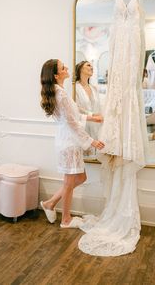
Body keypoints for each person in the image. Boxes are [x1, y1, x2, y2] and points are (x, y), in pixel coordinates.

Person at [40, 59, 104, 228]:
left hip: (68, 141)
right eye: (63, 67)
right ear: (56, 75)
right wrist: (92, 142)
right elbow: (72, 123)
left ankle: (50, 203)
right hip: (69, 143)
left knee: (81, 177)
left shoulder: (59, 91)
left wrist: (93, 118)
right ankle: (66, 220)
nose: (67, 68)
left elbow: (73, 115)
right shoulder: (60, 94)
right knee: (69, 183)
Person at [75, 61, 103, 143]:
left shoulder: (94, 88)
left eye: (92, 66)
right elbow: (76, 108)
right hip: (83, 127)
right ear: (80, 69)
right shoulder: (75, 88)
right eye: (88, 65)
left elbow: (98, 107)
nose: (92, 67)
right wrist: (92, 116)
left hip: (96, 127)